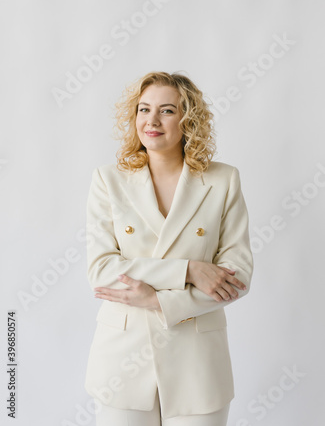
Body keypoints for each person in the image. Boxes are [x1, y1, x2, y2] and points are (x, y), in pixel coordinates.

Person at [84, 71, 254, 426]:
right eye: (144, 109)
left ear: (187, 119)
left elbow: (236, 277)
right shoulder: (108, 180)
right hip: (123, 360)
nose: (152, 120)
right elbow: (101, 271)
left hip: (198, 363)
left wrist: (159, 300)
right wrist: (189, 270)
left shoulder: (223, 180)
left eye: (167, 110)